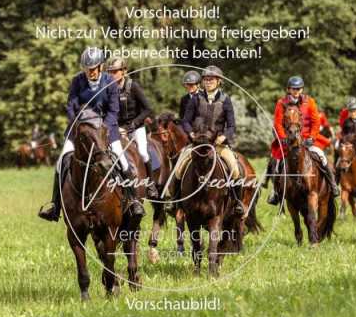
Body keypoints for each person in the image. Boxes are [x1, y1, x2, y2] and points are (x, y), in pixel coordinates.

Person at [38, 46, 144, 222]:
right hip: (79, 131)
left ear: (101, 67)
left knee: (122, 159)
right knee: (62, 161)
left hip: (105, 131)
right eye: (87, 69)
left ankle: (132, 201)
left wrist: (103, 129)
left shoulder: (110, 82)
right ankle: (55, 206)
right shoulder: (77, 81)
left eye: (93, 68)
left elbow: (113, 110)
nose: (90, 72)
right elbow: (71, 107)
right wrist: (78, 126)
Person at [165, 65, 245, 215]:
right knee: (178, 168)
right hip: (197, 143)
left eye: (211, 79)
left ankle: (237, 202)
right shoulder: (196, 98)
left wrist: (224, 136)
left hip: (217, 145)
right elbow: (186, 121)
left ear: (219, 81)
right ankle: (175, 201)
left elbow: (232, 125)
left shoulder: (225, 100)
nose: (208, 82)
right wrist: (191, 134)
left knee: (235, 169)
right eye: (206, 79)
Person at [265, 76, 339, 205]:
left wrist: (312, 137)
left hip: (306, 140)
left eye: (299, 89)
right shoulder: (281, 103)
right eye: (294, 89)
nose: (296, 91)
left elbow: (316, 122)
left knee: (322, 157)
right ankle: (275, 192)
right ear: (288, 89)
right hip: (288, 141)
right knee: (276, 162)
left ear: (302, 89)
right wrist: (282, 138)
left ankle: (333, 185)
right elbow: (277, 123)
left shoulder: (309, 102)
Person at [105, 58, 158, 199]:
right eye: (109, 72)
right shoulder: (107, 90)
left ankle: (151, 185)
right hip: (117, 128)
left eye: (115, 72)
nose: (112, 75)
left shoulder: (133, 86)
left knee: (142, 151)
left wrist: (132, 126)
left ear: (124, 71)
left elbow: (148, 109)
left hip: (136, 127)